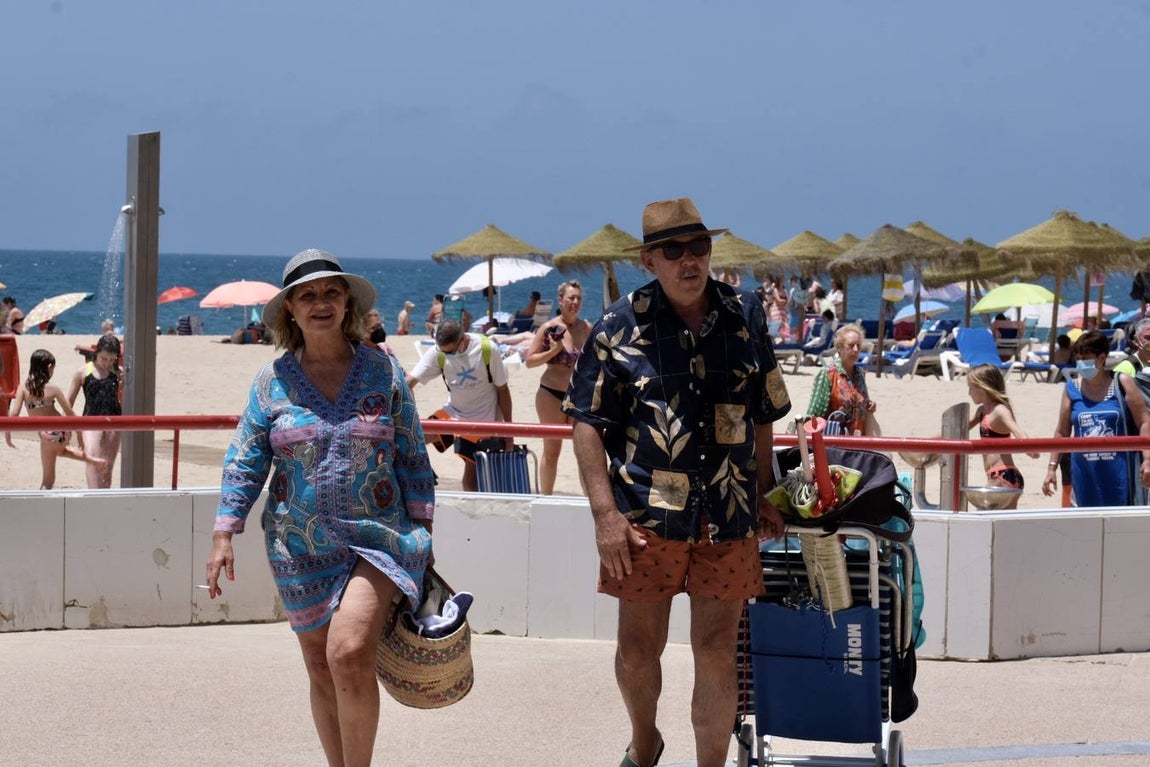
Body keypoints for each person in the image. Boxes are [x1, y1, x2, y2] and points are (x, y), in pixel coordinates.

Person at [563, 197, 791, 767]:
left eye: (699, 248)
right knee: (639, 652)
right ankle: (645, 744)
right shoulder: (619, 325)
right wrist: (605, 517)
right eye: (673, 250)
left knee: (716, 651)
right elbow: (586, 424)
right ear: (648, 259)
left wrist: (764, 490)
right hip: (645, 518)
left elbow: (764, 411)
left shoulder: (746, 314)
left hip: (731, 513)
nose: (689, 260)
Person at [203, 249, 435, 767]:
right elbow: (245, 460)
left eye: (331, 291)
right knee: (318, 664)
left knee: (347, 654)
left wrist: (424, 536)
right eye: (306, 295)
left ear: (347, 301)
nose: (320, 302)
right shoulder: (271, 384)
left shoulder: (385, 374)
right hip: (296, 546)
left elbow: (413, 455)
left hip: (380, 539)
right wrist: (225, 534)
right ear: (290, 310)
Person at [1041, 330, 1150, 507]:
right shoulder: (1071, 389)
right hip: (1085, 476)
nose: (1082, 363)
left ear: (1101, 358)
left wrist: (1147, 459)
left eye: (1086, 358)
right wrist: (1051, 468)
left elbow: (1144, 421)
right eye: (1079, 358)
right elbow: (1062, 431)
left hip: (1121, 477)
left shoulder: (1121, 383)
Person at [406, 319, 513, 492]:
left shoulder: (487, 349)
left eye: (451, 352)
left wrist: (508, 432)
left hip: (483, 420)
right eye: (444, 352)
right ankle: (422, 476)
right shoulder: (439, 351)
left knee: (470, 482)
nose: (448, 356)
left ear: (463, 340)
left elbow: (503, 391)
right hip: (453, 413)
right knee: (410, 440)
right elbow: (409, 382)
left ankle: (474, 516)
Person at [524, 280, 592, 495]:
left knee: (584, 452)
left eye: (578, 298)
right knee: (552, 451)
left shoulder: (586, 328)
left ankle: (590, 501)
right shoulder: (548, 328)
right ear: (560, 300)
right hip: (551, 394)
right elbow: (530, 361)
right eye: (571, 298)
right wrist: (553, 352)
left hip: (578, 395)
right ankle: (546, 498)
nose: (575, 302)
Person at [5, 349, 104, 489]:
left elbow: (14, 414)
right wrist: (79, 434)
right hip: (61, 430)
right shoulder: (54, 389)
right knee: (61, 450)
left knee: (48, 480)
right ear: (49, 367)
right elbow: (70, 413)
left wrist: (8, 435)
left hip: (47, 434)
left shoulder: (23, 388)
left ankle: (40, 508)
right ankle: (93, 460)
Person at [965, 364, 1039, 509]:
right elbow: (960, 428)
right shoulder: (982, 411)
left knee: (988, 523)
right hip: (1002, 475)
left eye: (971, 387)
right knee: (1004, 527)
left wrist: (1029, 446)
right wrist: (932, 441)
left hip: (1002, 475)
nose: (969, 392)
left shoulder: (999, 410)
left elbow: (1016, 429)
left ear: (982, 387)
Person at [66, 333, 124, 489]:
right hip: (90, 420)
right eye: (104, 358)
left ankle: (104, 499)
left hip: (114, 421)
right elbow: (68, 402)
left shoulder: (119, 373)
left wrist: (124, 385)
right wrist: (71, 428)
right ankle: (93, 495)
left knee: (108, 465)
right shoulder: (84, 372)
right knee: (92, 459)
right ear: (96, 353)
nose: (107, 363)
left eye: (112, 360)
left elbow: (123, 400)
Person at [806, 323, 876, 436]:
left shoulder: (860, 373)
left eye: (858, 345)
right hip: (834, 441)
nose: (856, 349)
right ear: (839, 348)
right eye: (851, 345)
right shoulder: (828, 374)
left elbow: (861, 401)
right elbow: (814, 414)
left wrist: (869, 404)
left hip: (858, 441)